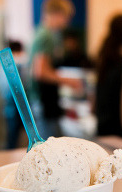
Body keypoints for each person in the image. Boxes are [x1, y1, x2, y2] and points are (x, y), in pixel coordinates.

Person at [28, 0, 82, 139]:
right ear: (57, 14)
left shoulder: (41, 33)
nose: (67, 22)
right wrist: (69, 81)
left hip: (41, 100)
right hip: (43, 101)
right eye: (66, 17)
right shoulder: (47, 36)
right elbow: (40, 72)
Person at [0, 41, 28, 149]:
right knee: (14, 135)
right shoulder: (17, 63)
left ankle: (10, 150)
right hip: (13, 104)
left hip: (7, 104)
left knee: (11, 134)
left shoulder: (1, 65)